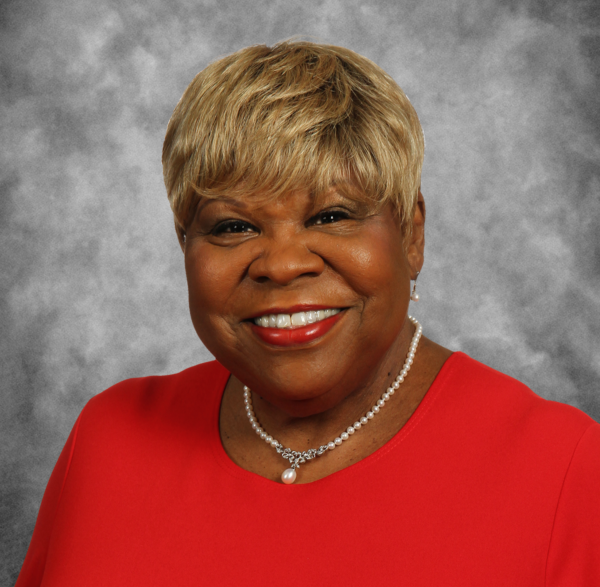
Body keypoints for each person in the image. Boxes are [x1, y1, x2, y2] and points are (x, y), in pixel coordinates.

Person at [16, 40, 600, 586]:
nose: (283, 264)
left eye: (331, 216)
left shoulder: (566, 470)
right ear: (185, 244)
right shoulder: (107, 441)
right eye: (233, 226)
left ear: (412, 235)